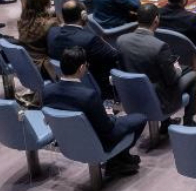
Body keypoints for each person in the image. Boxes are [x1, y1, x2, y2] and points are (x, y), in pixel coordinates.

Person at [44, 46, 146, 178]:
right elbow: (107, 128)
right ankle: (115, 160)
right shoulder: (87, 95)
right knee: (140, 118)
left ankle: (122, 158)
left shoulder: (47, 91)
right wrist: (111, 116)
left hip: (68, 139)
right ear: (81, 68)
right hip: (97, 139)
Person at [117, 4, 196, 126]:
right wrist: (177, 69)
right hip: (158, 98)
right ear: (156, 20)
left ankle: (166, 124)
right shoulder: (159, 46)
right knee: (193, 75)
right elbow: (172, 80)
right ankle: (189, 121)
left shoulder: (121, 40)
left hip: (132, 94)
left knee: (172, 72)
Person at [47, 0, 119, 100]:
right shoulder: (90, 39)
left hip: (67, 84)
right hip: (97, 86)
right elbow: (114, 56)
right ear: (84, 16)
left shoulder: (52, 33)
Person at [14, 0, 57, 70]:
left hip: (27, 61)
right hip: (43, 66)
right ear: (46, 4)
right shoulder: (50, 24)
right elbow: (54, 50)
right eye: (49, 0)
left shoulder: (23, 20)